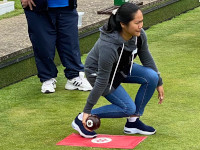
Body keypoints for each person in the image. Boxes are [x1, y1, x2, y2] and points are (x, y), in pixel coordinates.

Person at [71, 3, 165, 138]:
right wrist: (87, 109)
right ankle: (81, 119)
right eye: (137, 22)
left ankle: (133, 122)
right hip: (99, 74)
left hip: (121, 67)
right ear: (123, 24)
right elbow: (102, 80)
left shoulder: (139, 35)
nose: (141, 26)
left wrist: (159, 82)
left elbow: (146, 58)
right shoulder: (108, 46)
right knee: (127, 108)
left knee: (152, 77)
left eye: (142, 21)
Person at [20, 0, 92, 93]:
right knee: (43, 45)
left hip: (67, 6)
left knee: (70, 43)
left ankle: (74, 76)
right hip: (38, 8)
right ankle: (47, 78)